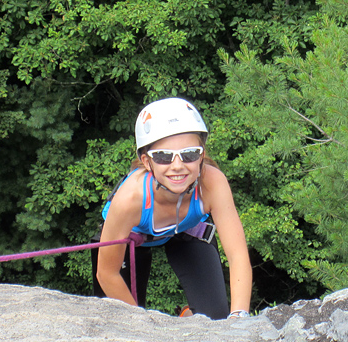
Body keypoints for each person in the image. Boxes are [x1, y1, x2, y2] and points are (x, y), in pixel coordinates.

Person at [91, 97, 252, 320]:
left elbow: (237, 256)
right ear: (147, 162)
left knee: (216, 318)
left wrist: (239, 317)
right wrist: (146, 326)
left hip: (185, 230)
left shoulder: (212, 183)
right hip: (131, 238)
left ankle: (188, 318)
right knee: (120, 323)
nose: (177, 166)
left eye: (189, 154)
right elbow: (107, 273)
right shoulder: (130, 199)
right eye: (164, 157)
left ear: (201, 155)